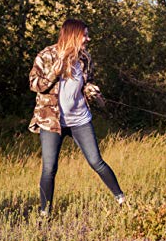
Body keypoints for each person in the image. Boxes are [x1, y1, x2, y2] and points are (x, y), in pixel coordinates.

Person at [28, 19, 126, 216]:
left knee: (96, 161)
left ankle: (123, 201)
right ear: (73, 35)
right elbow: (35, 84)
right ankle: (44, 214)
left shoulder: (85, 58)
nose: (88, 39)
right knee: (49, 168)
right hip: (51, 121)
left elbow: (86, 83)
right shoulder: (46, 55)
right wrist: (57, 67)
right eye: (85, 35)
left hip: (80, 120)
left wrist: (92, 90)